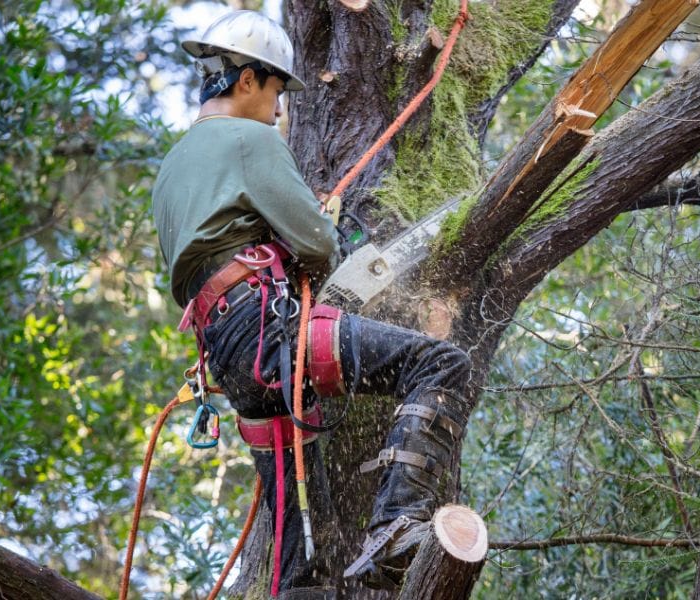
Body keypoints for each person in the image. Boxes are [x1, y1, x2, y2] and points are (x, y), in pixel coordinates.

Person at [152, 10, 471, 597]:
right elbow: (318, 242)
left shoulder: (172, 168)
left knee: (303, 565)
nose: (279, 110)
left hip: (230, 360)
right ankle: (398, 522)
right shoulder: (250, 139)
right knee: (441, 364)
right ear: (245, 79)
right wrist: (316, 243)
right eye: (275, 91)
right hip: (267, 331)